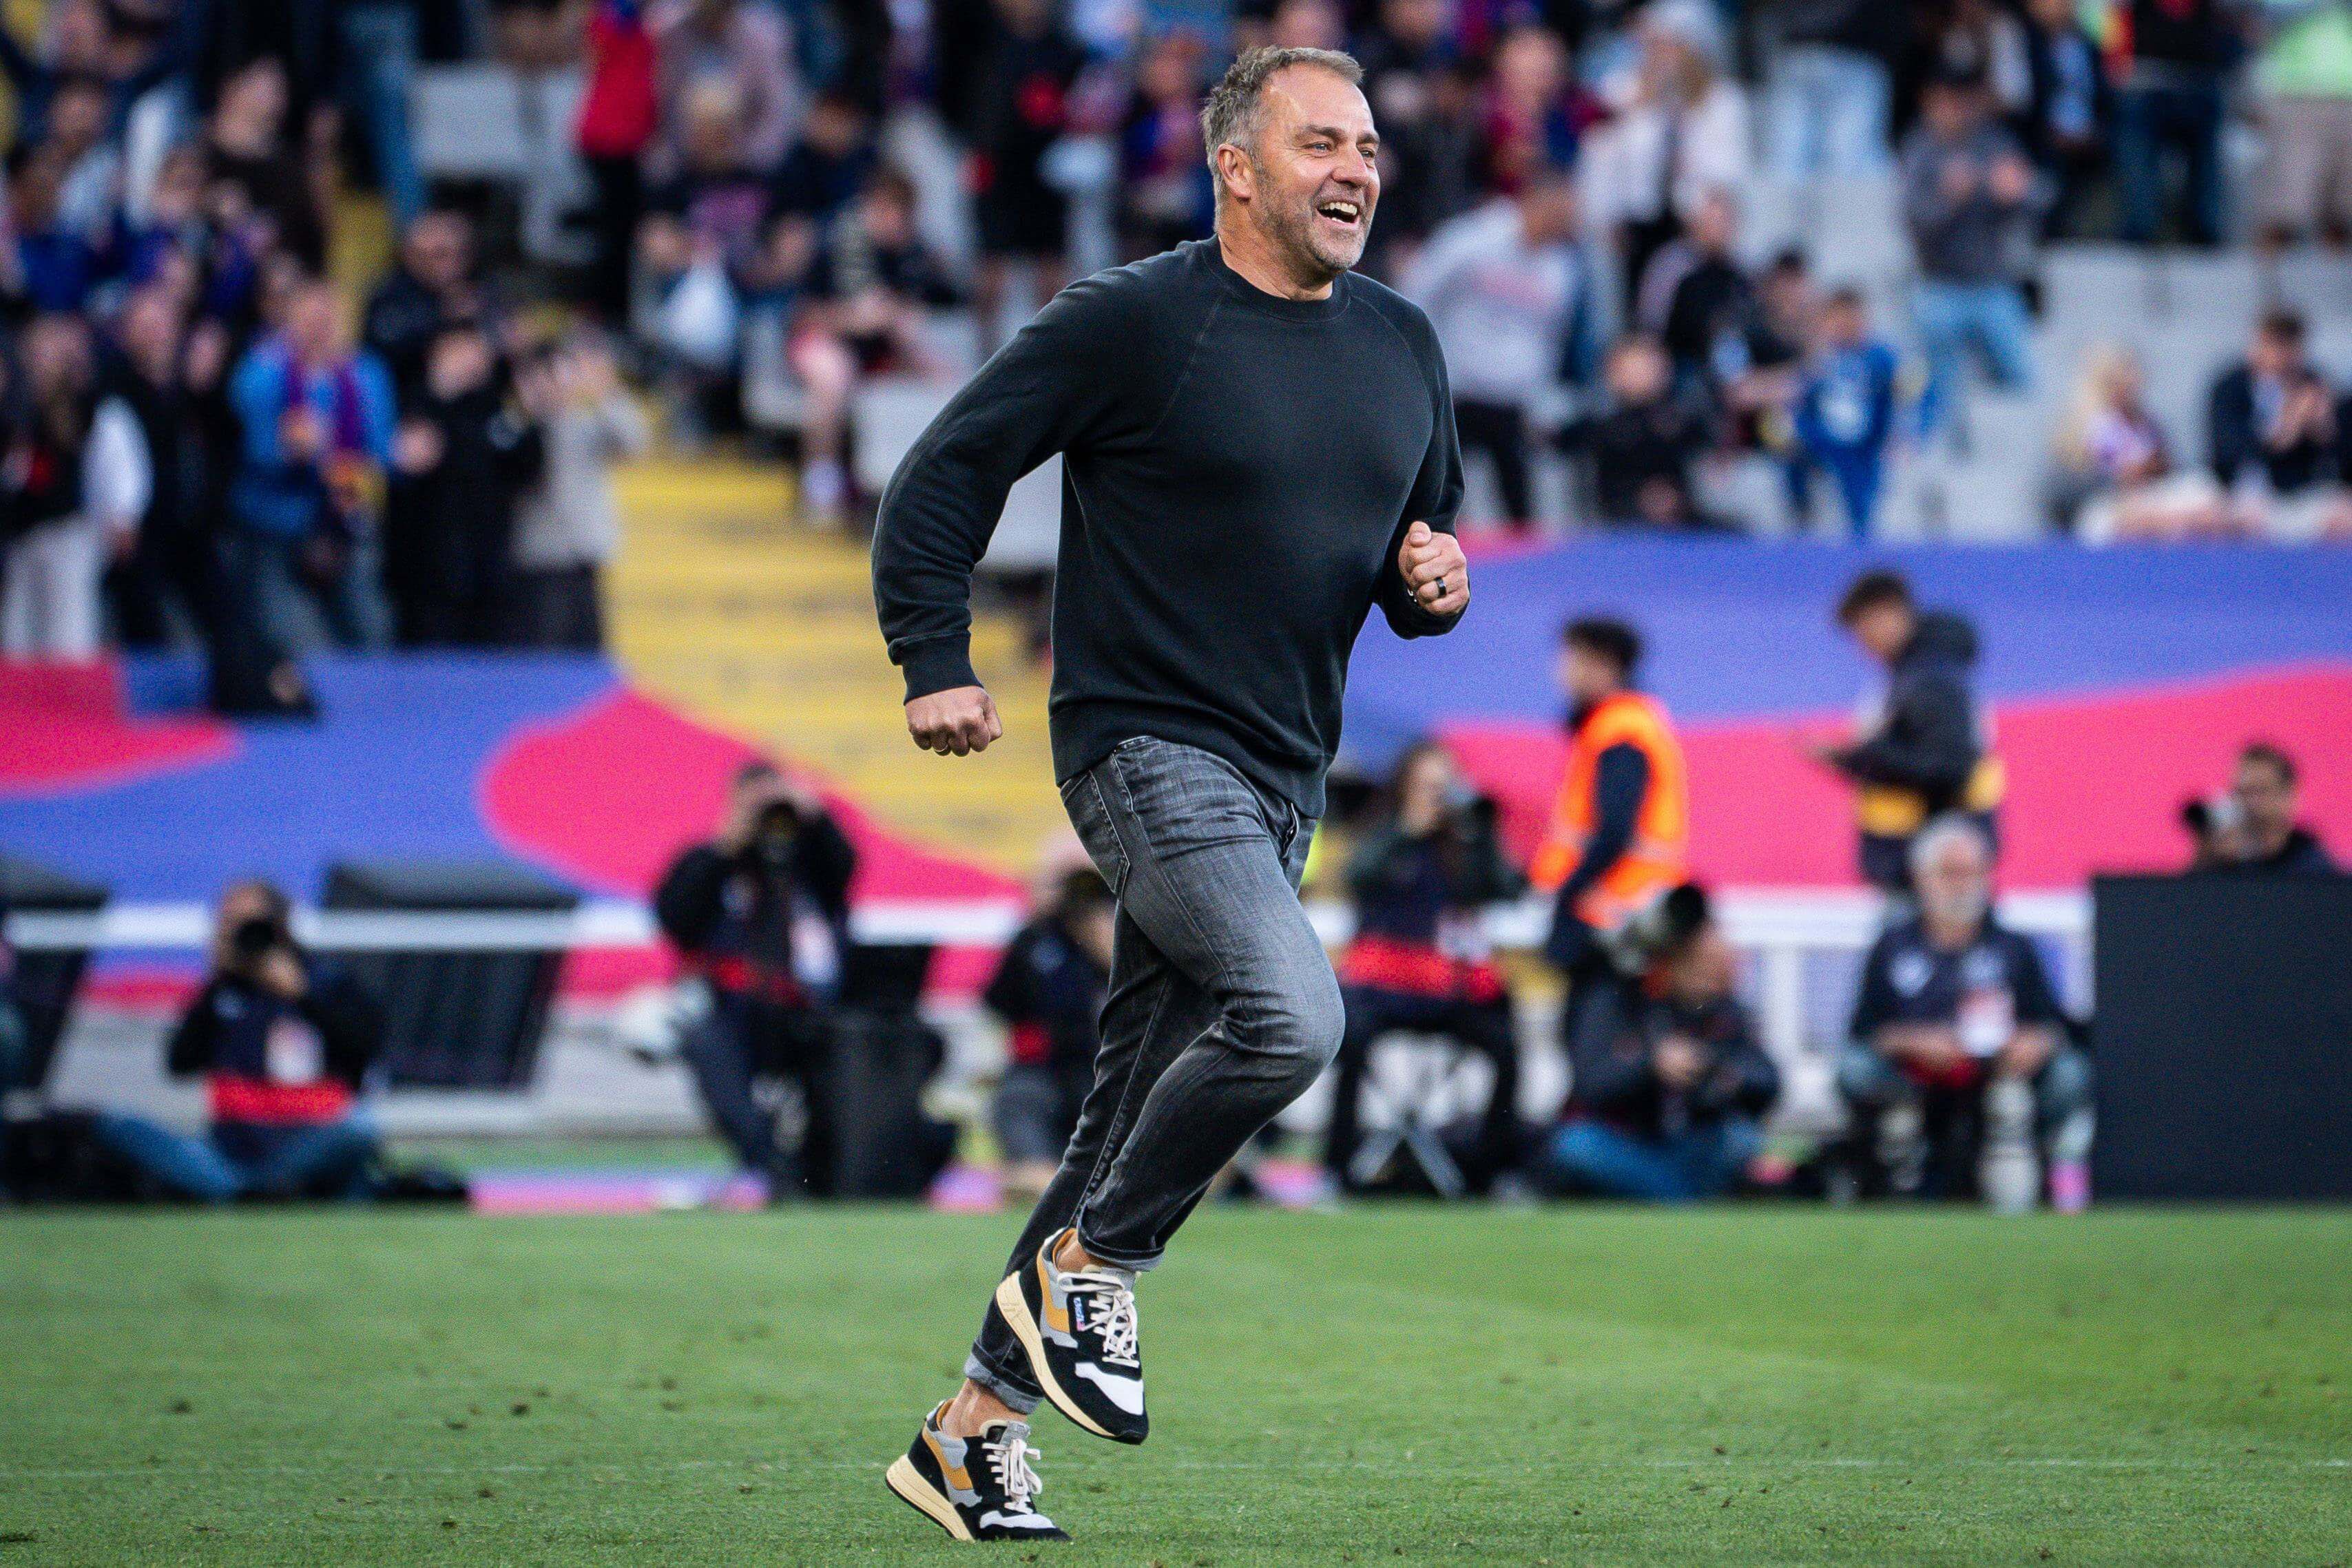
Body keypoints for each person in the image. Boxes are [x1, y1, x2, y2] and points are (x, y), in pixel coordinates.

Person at [871, 45, 1468, 1540]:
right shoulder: (1135, 320)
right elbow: (945, 472)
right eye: (1322, 142)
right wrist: (931, 654)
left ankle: (971, 1433)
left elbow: (1409, 542)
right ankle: (1093, 1274)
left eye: (1371, 146)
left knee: (1121, 1116)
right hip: (1145, 749)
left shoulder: (1404, 343)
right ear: (1239, 169)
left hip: (1283, 776)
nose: (1357, 170)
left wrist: (1431, 583)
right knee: (1292, 1016)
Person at [1840, 816, 2094, 1211]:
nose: (1961, 884)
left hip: (1999, 1067)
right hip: (1918, 1071)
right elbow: (1865, 1029)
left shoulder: (2013, 946)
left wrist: (2034, 1041)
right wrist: (1911, 1042)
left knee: (2069, 1073)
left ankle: (2060, 1181)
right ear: (1922, 877)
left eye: (1971, 872)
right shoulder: (1893, 946)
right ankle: (1894, 1180)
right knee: (1855, 1069)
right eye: (1949, 873)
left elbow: (2050, 1023)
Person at [93, 881, 386, 1203]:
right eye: (227, 922)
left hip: (307, 1145)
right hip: (229, 1157)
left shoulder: (326, 981)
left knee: (358, 1127)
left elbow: (364, 1048)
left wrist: (304, 997)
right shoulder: (224, 991)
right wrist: (216, 985)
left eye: (248, 924)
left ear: (280, 926)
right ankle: (253, 1194)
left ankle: (258, 1193)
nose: (239, 934)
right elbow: (180, 1063)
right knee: (118, 1125)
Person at [1322, 740, 1524, 1194]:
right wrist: (1407, 830)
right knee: (1348, 1037)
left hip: (1444, 990)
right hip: (1382, 988)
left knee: (1504, 1043)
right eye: (1426, 787)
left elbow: (1504, 890)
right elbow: (1358, 876)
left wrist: (1482, 835)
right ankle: (1336, 1169)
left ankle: (1494, 1174)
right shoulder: (1384, 833)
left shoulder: (1461, 845)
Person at [652, 761, 856, 1198]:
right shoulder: (711, 861)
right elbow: (676, 919)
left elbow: (844, 871)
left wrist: (812, 815)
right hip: (731, 1009)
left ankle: (834, 1169)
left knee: (854, 1049)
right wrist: (728, 844)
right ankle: (772, 1168)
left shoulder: (808, 864)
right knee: (710, 1046)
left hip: (810, 1010)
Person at [1544, 884, 1780, 1201]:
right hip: (1629, 1143)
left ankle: (1672, 1198)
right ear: (1667, 962)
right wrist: (1651, 1066)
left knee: (1741, 1138)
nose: (1705, 974)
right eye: (1695, 962)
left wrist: (1719, 1073)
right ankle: (1682, 1200)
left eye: (1713, 964)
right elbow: (1592, 1084)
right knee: (1577, 1146)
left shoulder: (1722, 1013)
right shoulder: (1619, 999)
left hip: (1692, 1147)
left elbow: (1768, 1082)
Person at [1401, 164, 1594, 530]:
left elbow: (1549, 343)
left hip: (1512, 403)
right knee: (1433, 500)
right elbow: (1418, 291)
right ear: (1536, 202)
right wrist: (1423, 369)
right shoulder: (1473, 237)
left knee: (1521, 510)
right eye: (1561, 214)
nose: (1567, 224)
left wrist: (1539, 401)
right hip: (1457, 395)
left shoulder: (1563, 267)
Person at [1532, 616, 1689, 1063]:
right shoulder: (1628, 724)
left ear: (1603, 665)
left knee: (1594, 1045)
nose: (1560, 672)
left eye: (1570, 659)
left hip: (1614, 917)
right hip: (1626, 914)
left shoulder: (1619, 729)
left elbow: (1613, 830)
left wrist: (1569, 891)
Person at [223, 278, 397, 662]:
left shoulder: (367, 374)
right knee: (299, 640)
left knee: (372, 631)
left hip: (347, 522)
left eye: (329, 313)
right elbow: (255, 447)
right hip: (277, 528)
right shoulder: (262, 371)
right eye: (309, 313)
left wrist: (326, 450)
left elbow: (382, 452)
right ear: (289, 319)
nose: (320, 323)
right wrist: (292, 450)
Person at [786, 169, 959, 528]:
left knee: (948, 378)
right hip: (823, 339)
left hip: (881, 350)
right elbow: (803, 315)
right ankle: (821, 484)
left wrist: (902, 323)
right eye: (888, 211)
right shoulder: (834, 241)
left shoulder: (911, 252)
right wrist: (854, 318)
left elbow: (932, 304)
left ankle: (922, 499)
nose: (896, 222)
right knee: (832, 376)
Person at [1815, 569, 2002, 899]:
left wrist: (1869, 756)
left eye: (1863, 628)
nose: (1862, 644)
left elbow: (1950, 767)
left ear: (1890, 613)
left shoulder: (1930, 679)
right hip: (1921, 856)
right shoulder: (1915, 675)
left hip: (1933, 863)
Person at [1900, 61, 2046, 439]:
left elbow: (2036, 199)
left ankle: (2021, 444)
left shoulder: (1994, 143)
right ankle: (1934, 446)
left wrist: (2015, 196)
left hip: (1993, 285)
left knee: (2024, 377)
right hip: (1939, 285)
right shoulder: (1919, 149)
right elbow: (1914, 223)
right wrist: (1950, 199)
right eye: (1946, 100)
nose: (1955, 109)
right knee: (1935, 382)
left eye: (1961, 100)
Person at [381, 322, 545, 647]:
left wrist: (529, 413)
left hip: (486, 570)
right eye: (460, 349)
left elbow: (527, 467)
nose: (471, 360)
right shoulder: (410, 403)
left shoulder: (496, 409)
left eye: (477, 350)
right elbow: (404, 469)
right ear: (437, 354)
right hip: (424, 574)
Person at [0, 313, 151, 659]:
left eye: (49, 350)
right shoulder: (16, 409)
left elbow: (115, 456)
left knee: (68, 638)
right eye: (35, 351)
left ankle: (72, 711)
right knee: (16, 641)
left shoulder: (86, 403)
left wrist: (123, 513)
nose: (42, 360)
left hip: (67, 534)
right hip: (20, 539)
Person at [508, 331, 648, 649]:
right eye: (543, 375)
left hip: (583, 549)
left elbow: (634, 442)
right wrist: (533, 412)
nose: (554, 384)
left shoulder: (583, 423)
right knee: (544, 649)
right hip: (538, 556)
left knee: (587, 648)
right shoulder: (514, 425)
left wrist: (604, 392)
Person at [985, 866, 1114, 1204]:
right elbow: (1001, 1001)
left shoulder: (1134, 940)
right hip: (1048, 1073)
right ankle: (1044, 1176)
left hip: (1117, 1075)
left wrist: (1111, 955)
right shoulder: (1035, 944)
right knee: (1019, 1099)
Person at [2052, 344, 2230, 541]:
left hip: (2149, 497)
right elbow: (2078, 483)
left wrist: (2153, 466)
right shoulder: (2091, 425)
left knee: (2201, 487)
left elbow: (2167, 467)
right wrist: (2125, 475)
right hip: (2109, 502)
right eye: (2124, 384)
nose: (2131, 391)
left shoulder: (2145, 422)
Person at [2207, 310, 2350, 540]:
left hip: (2302, 494)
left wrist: (2324, 429)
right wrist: (2285, 428)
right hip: (2242, 492)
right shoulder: (2230, 387)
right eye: (2274, 344)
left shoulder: (2316, 386)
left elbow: (2341, 462)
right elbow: (2228, 451)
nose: (2281, 355)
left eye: (2289, 347)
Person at [2110, 0, 2236, 248]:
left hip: (2200, 87)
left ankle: (2204, 229)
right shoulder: (2132, 10)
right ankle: (2140, 226)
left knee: (2211, 148)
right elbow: (2115, 44)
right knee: (2135, 139)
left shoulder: (2213, 11)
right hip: (2144, 87)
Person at [1558, 335, 1716, 529]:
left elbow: (1708, 467)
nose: (1641, 375)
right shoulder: (1598, 424)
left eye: (1648, 367)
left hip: (1685, 523)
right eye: (1632, 368)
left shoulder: (1683, 422)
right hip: (1616, 523)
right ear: (1612, 373)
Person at [1791, 286, 1900, 539]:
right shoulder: (1818, 359)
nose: (1844, 326)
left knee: (1861, 479)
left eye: (1851, 318)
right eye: (1837, 319)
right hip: (1823, 441)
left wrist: (1901, 435)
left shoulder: (1881, 358)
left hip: (1866, 443)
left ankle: (1861, 535)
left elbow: (1903, 398)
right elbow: (1801, 399)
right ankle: (1801, 515)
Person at [2185, 742, 2336, 874]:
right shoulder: (2225, 861)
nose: (2249, 802)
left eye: (2260, 791)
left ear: (2289, 796)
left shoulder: (2316, 869)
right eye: (2241, 792)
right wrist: (2209, 858)